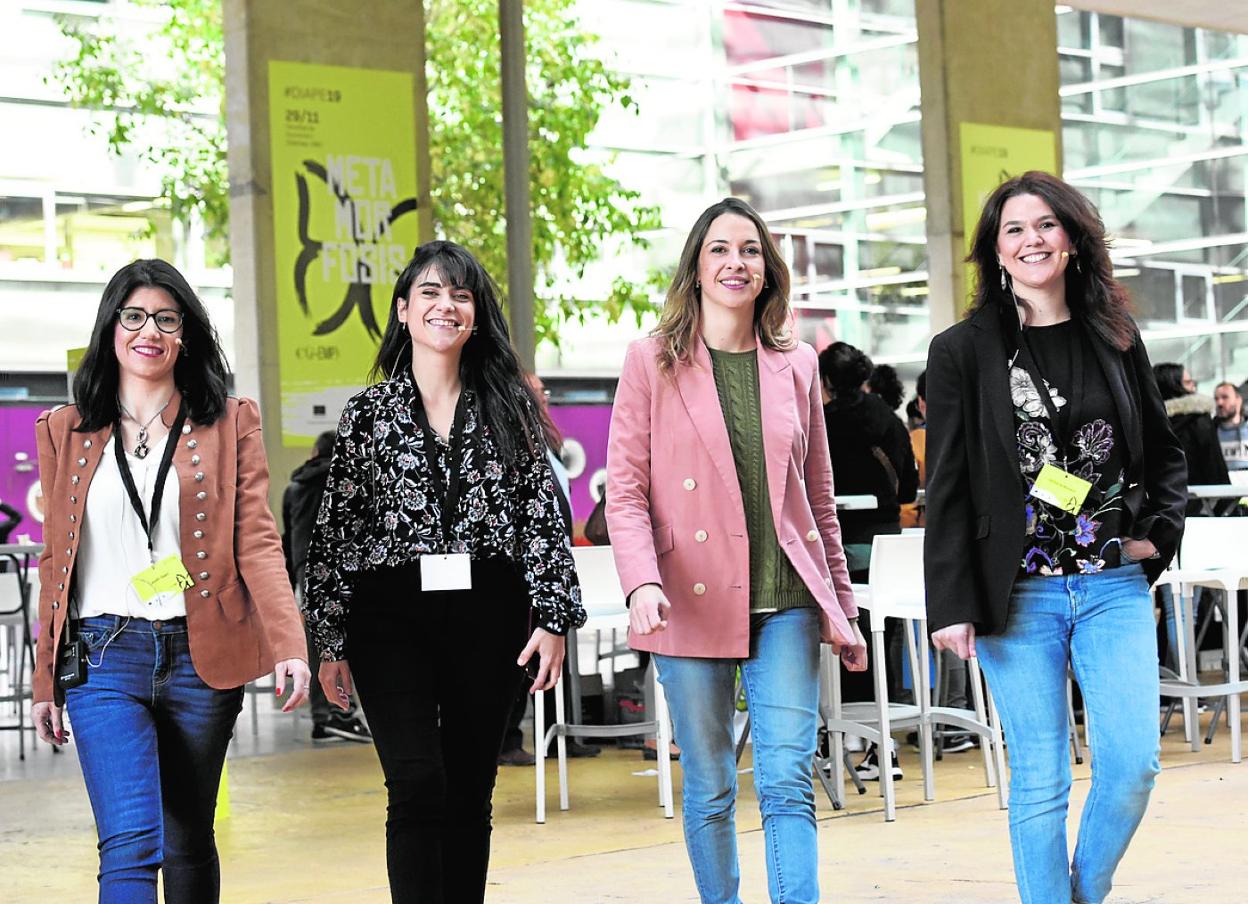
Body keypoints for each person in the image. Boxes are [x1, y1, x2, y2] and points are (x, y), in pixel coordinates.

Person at [925, 171, 1186, 904]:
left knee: (1133, 763)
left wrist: (1156, 538)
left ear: (1071, 240)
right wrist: (950, 601)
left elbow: (1164, 452)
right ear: (996, 251)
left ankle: (1083, 891)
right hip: (1018, 594)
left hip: (1112, 586)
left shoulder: (1116, 336)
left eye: (1046, 226)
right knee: (1040, 775)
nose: (1031, 240)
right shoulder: (963, 351)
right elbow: (945, 484)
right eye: (1014, 229)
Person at [303, 240, 585, 904]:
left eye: (460, 294)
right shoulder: (367, 416)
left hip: (488, 611)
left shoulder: (509, 407)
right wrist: (329, 642)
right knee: (415, 783)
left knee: (469, 790)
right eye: (429, 292)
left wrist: (552, 618)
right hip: (389, 616)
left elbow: (542, 517)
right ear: (403, 311)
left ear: (477, 316)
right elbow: (336, 534)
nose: (445, 305)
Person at [606, 197, 867, 904]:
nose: (735, 262)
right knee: (714, 785)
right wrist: (639, 582)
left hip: (784, 600)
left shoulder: (798, 365)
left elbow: (818, 501)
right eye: (719, 249)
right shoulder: (649, 362)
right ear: (696, 266)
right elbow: (624, 493)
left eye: (749, 250)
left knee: (787, 778)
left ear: (767, 269)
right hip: (684, 604)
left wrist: (842, 609)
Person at [30, 259, 311, 903]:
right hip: (103, 655)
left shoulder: (228, 421)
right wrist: (45, 677)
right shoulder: (64, 430)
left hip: (200, 654)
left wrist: (290, 642)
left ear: (185, 333)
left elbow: (258, 540)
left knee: (188, 837)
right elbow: (55, 564)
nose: (148, 331)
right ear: (110, 329)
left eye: (166, 318)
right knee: (129, 841)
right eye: (133, 317)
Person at [819, 341, 919, 778]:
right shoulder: (889, 421)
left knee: (837, 645)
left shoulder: (819, 424)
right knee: (882, 646)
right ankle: (885, 749)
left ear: (822, 382)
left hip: (837, 556)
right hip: (890, 556)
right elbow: (907, 492)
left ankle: (832, 740)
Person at [497, 372, 600, 767]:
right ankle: (507, 740)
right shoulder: (512, 436)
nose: (543, 398)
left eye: (544, 392)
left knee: (556, 650)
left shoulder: (548, 438)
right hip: (524, 565)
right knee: (522, 653)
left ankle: (558, 733)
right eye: (536, 391)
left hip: (556, 561)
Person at [282, 430, 372, 744]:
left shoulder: (295, 485)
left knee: (318, 641)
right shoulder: (343, 481)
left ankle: (324, 717)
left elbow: (286, 538)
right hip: (339, 569)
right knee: (347, 640)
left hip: (304, 571)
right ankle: (342, 713)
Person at [1154, 363, 1229, 497]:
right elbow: (1214, 465)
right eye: (1188, 382)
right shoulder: (1199, 419)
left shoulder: (1149, 423)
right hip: (1202, 500)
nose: (1193, 387)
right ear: (1174, 385)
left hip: (1163, 502)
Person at [1213, 381, 1248, 470]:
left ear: (1238, 400)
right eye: (1216, 399)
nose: (1219, 403)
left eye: (1225, 397)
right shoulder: (1210, 432)